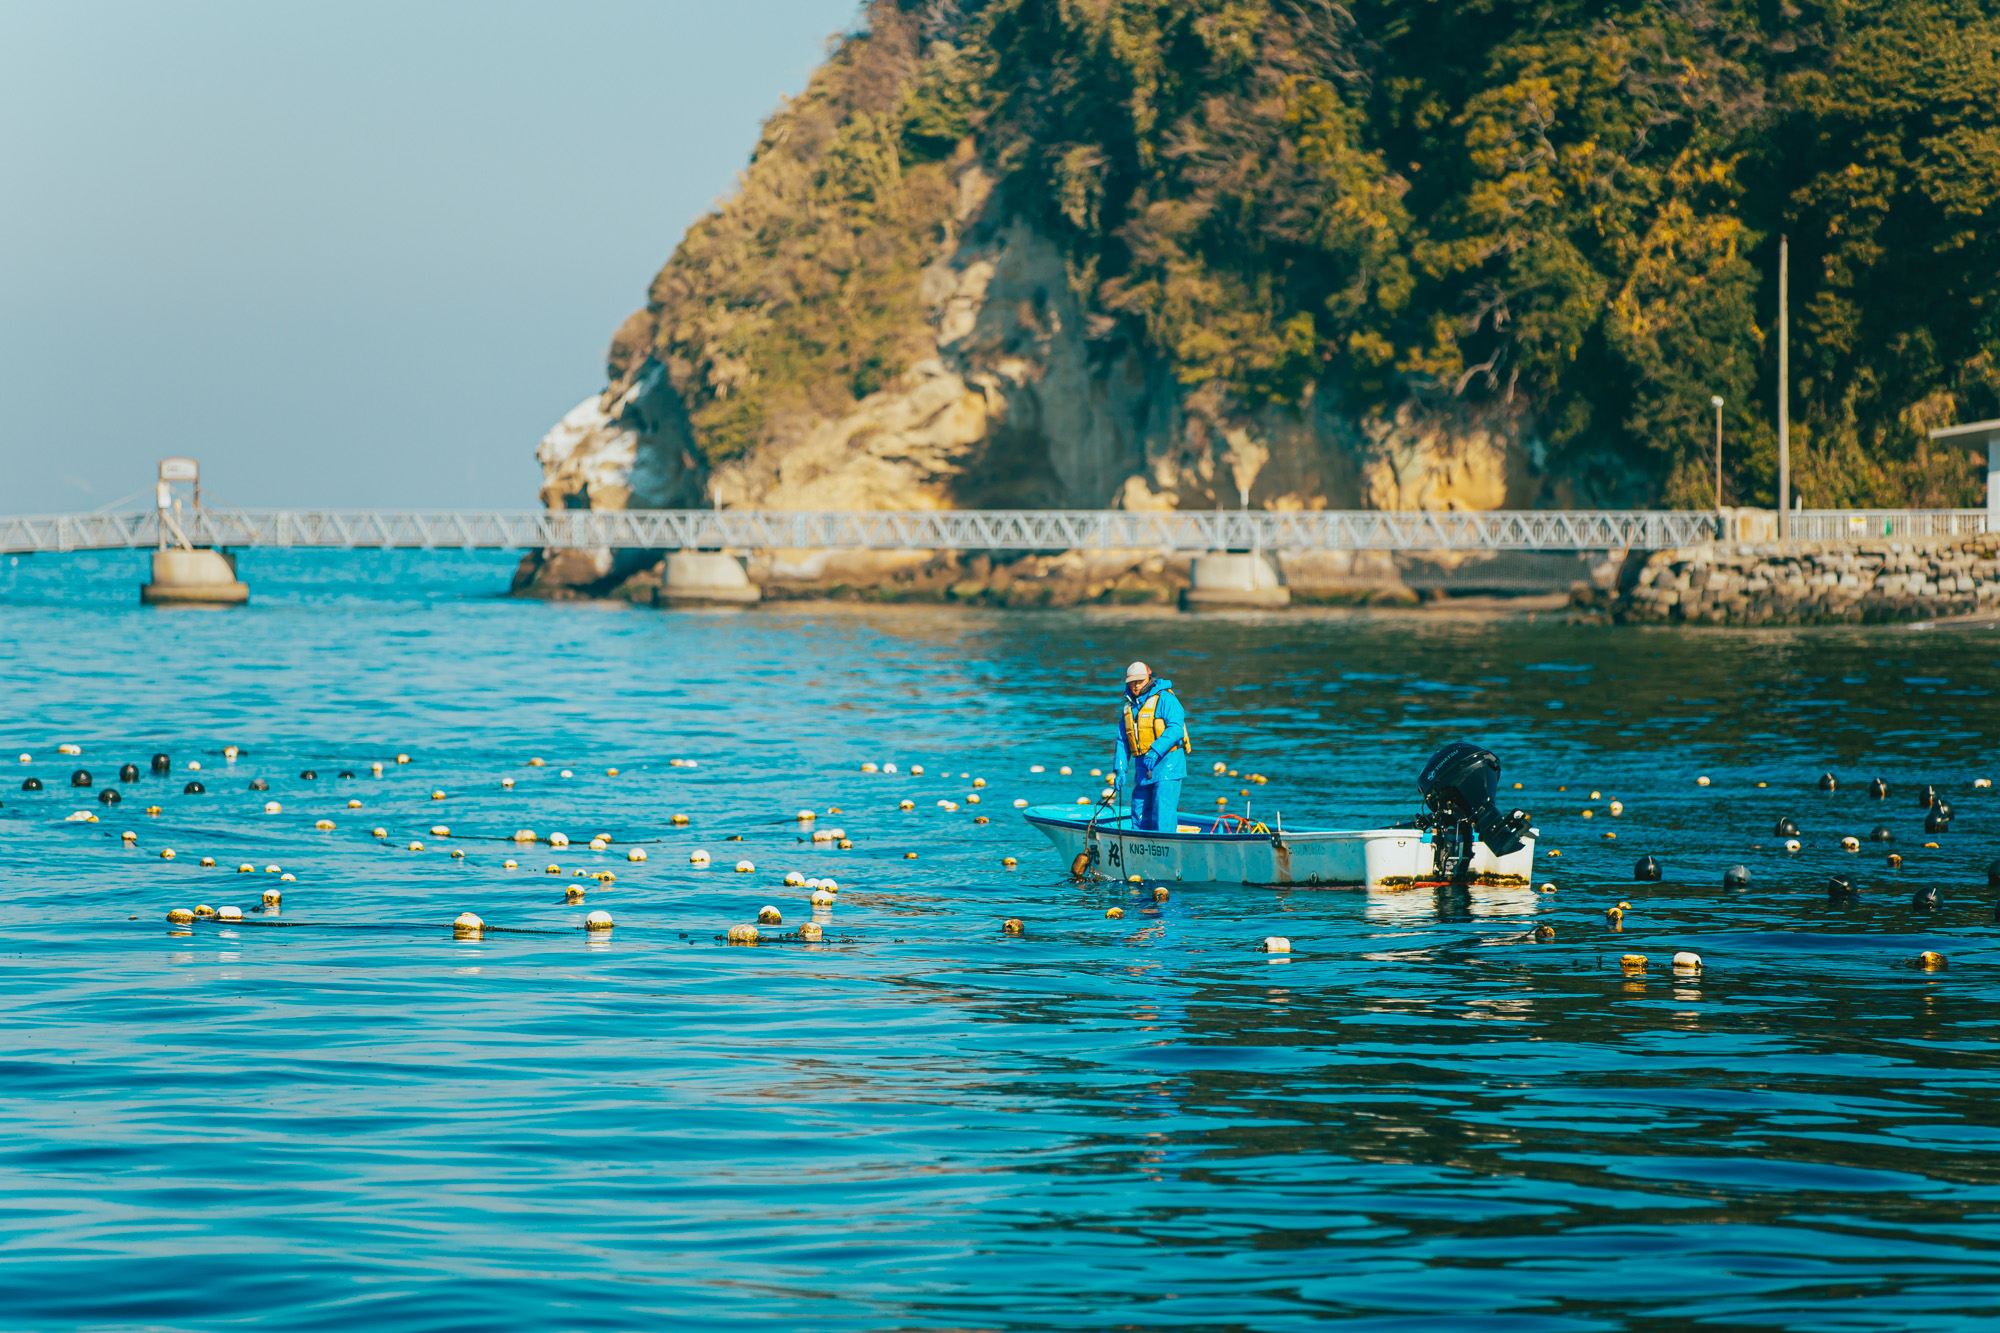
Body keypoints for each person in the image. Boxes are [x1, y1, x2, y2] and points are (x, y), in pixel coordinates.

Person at [1112, 661, 1190, 832]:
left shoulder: (1165, 698)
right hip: (1143, 770)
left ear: (1148, 678)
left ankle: (1166, 848)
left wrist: (1155, 751)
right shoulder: (1129, 707)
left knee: (1162, 811)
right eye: (1133, 682)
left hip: (1168, 766)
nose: (1136, 685)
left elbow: (1176, 728)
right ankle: (1139, 848)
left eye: (1140, 680)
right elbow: (1122, 740)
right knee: (1138, 810)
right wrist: (1120, 770)